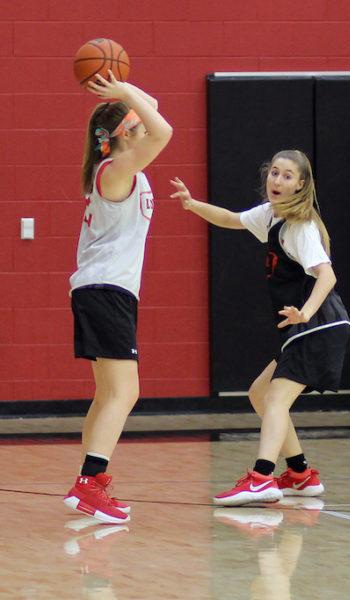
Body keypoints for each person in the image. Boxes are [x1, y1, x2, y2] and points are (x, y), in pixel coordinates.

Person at [170, 150, 350, 505]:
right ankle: (299, 474)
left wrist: (305, 312)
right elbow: (232, 219)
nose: (277, 181)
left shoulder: (300, 227)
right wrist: (193, 205)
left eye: (287, 176)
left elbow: (327, 275)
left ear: (301, 184)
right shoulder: (270, 216)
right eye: (274, 173)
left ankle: (262, 476)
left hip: (318, 326)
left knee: (276, 399)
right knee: (259, 394)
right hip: (308, 329)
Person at [63, 72, 173, 524]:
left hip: (102, 289)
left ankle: (90, 481)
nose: (146, 125)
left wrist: (125, 91)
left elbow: (155, 109)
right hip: (106, 289)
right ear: (126, 132)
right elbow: (164, 129)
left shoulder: (113, 167)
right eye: (136, 123)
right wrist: (125, 94)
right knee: (127, 391)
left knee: (107, 392)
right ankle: (89, 483)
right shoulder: (117, 168)